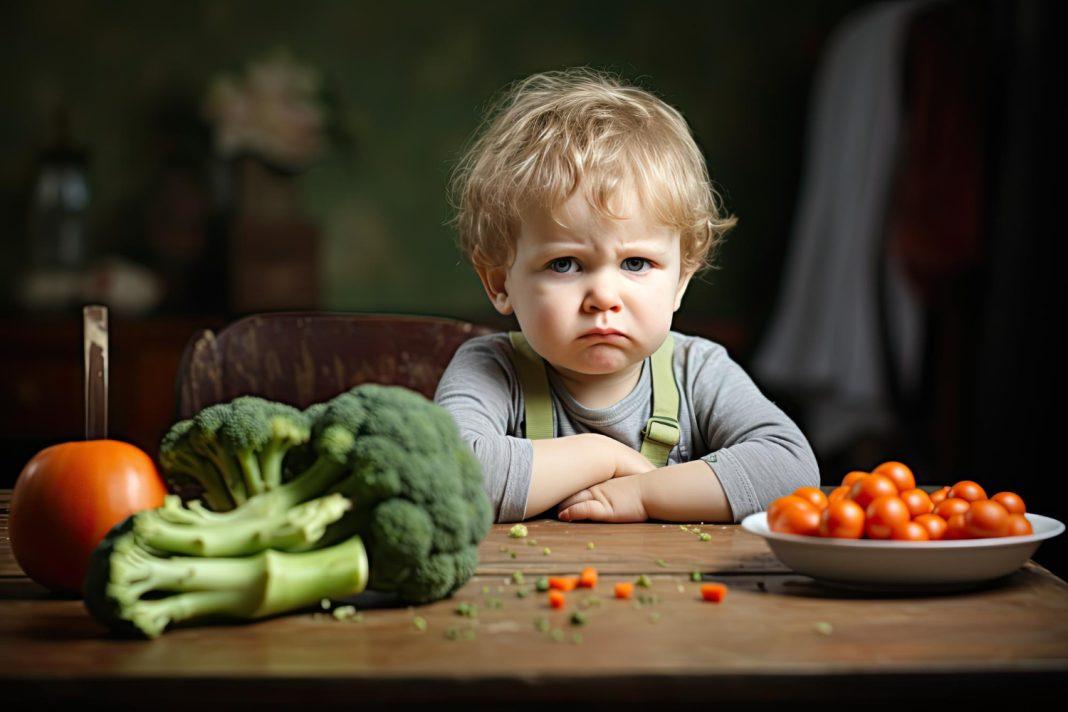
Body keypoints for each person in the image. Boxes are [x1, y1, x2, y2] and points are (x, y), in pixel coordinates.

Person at [435, 68, 818, 524]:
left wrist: (642, 494)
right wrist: (604, 456)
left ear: (680, 281)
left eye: (636, 264)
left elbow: (791, 471)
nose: (603, 297)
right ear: (500, 284)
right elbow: (452, 478)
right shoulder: (491, 370)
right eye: (564, 264)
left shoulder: (697, 372)